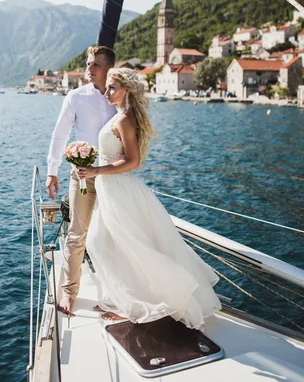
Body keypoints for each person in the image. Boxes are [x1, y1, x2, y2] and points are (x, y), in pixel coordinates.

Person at [77, 68, 221, 328]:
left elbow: (133, 161)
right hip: (110, 190)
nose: (106, 92)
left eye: (112, 87)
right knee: (102, 244)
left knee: (121, 246)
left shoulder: (124, 119)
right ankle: (120, 298)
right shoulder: (120, 115)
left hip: (120, 190)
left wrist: (96, 170)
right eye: (107, 87)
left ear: (127, 90)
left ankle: (134, 304)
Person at [46, 45, 116, 315]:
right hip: (83, 178)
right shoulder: (75, 97)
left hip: (113, 178)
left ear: (109, 68)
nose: (89, 68)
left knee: (113, 235)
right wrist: (53, 170)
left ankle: (114, 291)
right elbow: (59, 135)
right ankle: (69, 291)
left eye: (96, 64)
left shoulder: (119, 97)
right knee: (77, 235)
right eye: (89, 63)